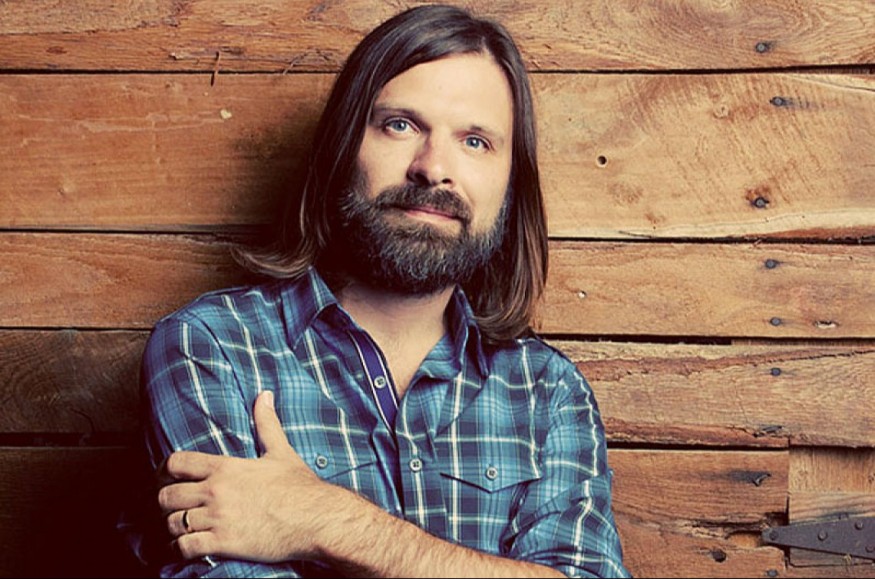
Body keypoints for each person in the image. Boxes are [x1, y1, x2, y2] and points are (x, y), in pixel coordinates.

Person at [138, 4, 629, 577]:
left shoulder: (547, 390)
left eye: (475, 142)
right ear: (343, 146)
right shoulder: (213, 349)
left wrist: (324, 520)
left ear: (509, 184)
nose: (433, 168)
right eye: (400, 126)